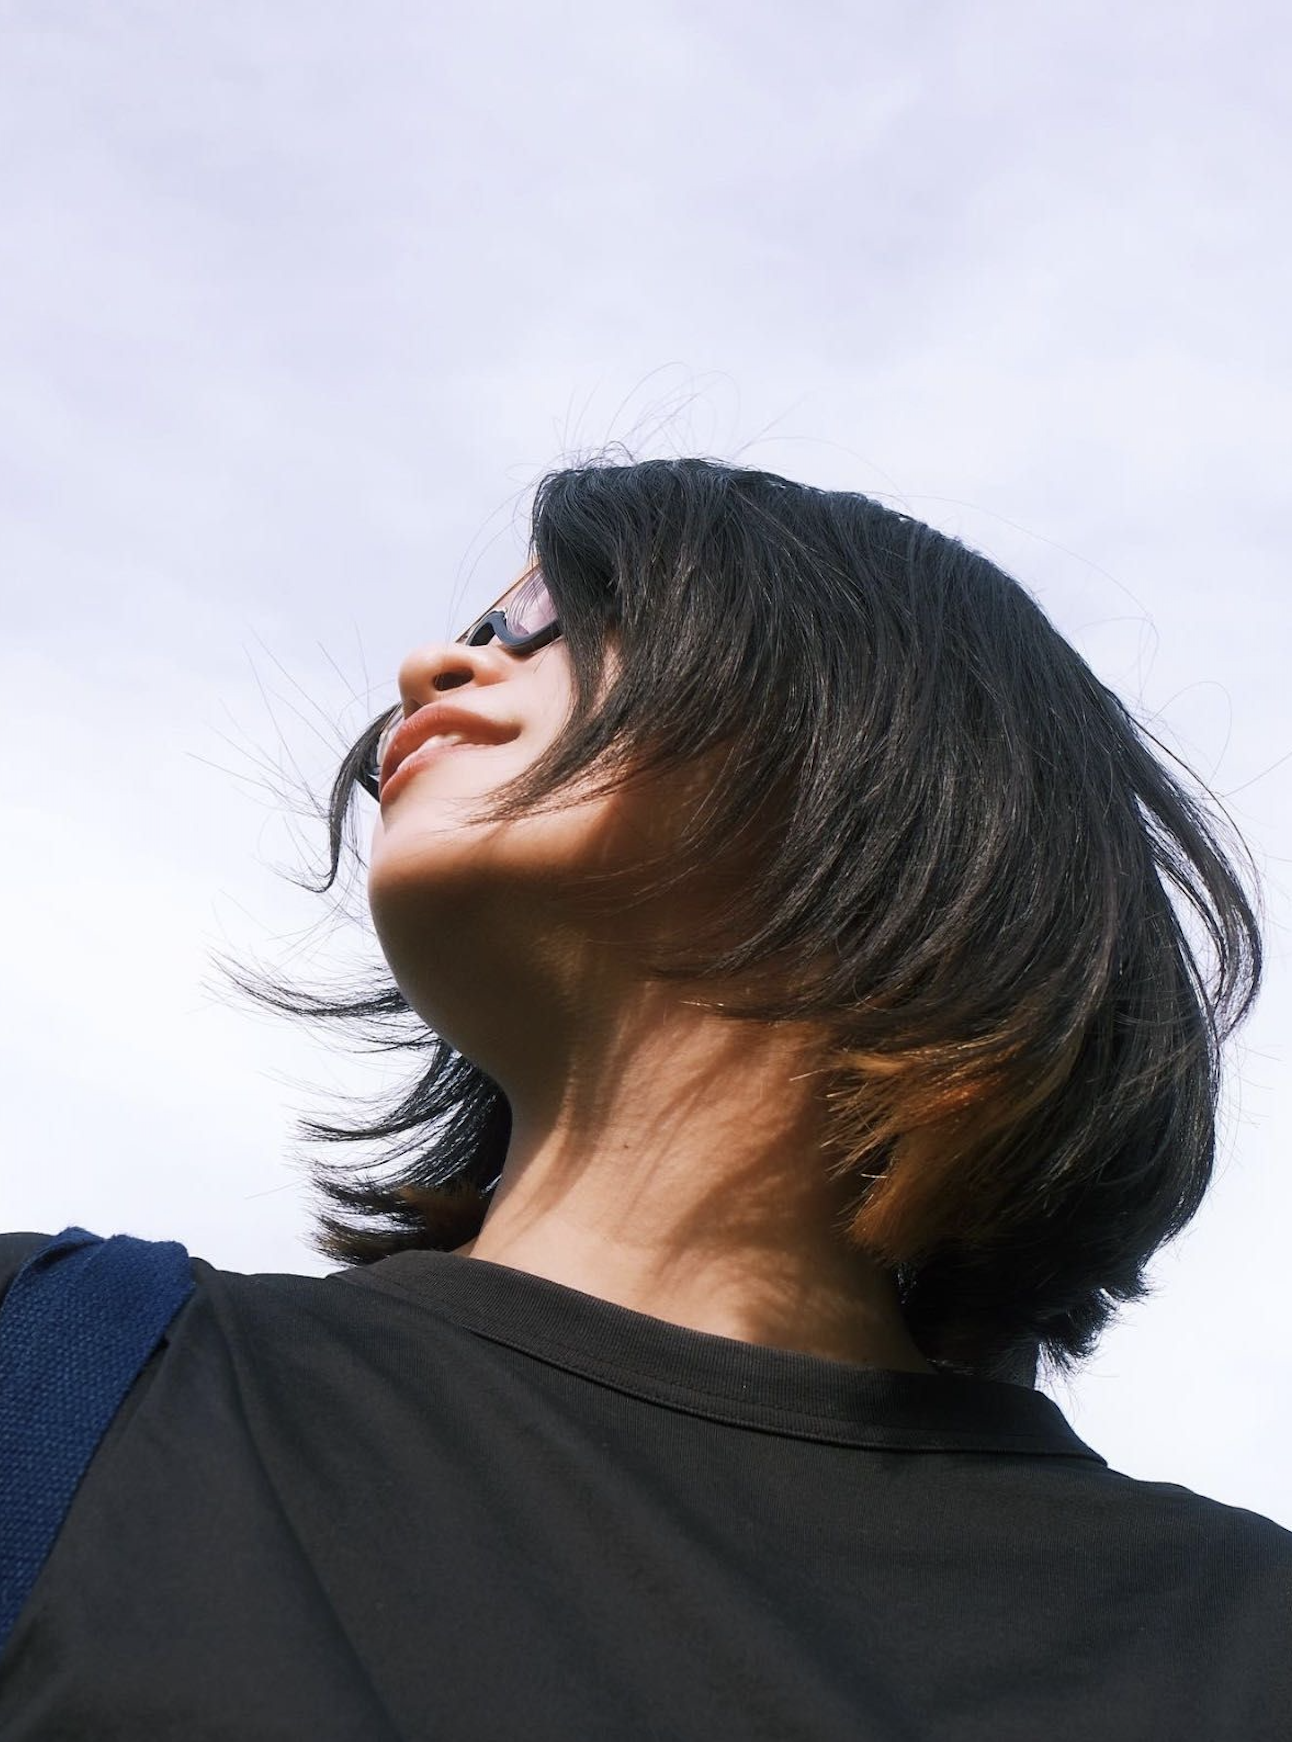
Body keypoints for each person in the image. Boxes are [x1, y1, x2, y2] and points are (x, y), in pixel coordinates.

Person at [2, 455, 1288, 1739]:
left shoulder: (1236, 1639)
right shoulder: (51, 1368)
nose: (430, 666)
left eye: (551, 619)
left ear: (876, 731)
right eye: (479, 626)